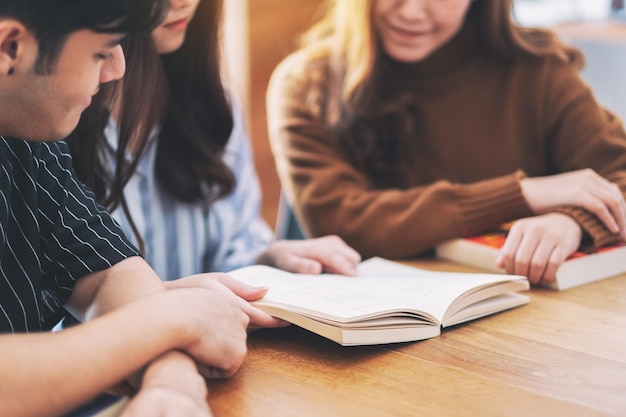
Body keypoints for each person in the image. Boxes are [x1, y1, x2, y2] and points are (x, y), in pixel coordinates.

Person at [0, 1, 283, 416]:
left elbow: (108, 273)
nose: (118, 68)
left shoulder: (28, 142)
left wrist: (172, 386)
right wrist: (169, 320)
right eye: (102, 51)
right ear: (10, 49)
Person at [266, 0, 626, 286]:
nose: (410, 11)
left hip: (532, 333)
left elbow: (618, 174)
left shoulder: (536, 70)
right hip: (367, 336)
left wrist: (572, 220)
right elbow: (343, 223)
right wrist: (527, 194)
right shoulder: (306, 84)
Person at [67, 0, 361, 281]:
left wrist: (270, 258)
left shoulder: (213, 105)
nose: (186, 2)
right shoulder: (57, 120)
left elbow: (233, 248)